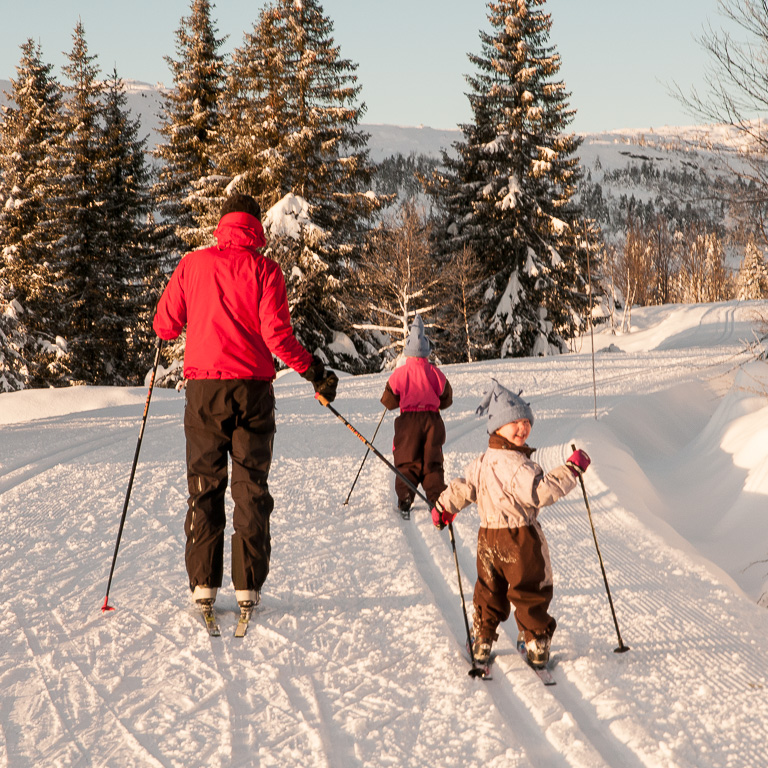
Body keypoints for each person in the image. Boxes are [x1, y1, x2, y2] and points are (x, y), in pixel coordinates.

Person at [153, 193, 338, 612]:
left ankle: (203, 584)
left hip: (204, 393)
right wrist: (313, 372)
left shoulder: (192, 265)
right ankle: (247, 586)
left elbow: (164, 326)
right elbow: (277, 337)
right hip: (253, 391)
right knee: (250, 486)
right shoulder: (266, 269)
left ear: (222, 225)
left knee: (204, 484)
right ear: (256, 227)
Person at [431, 379, 590, 668]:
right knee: (529, 589)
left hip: (488, 540)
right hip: (520, 540)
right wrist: (571, 470)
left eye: (526, 422)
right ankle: (536, 641)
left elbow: (466, 487)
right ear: (497, 428)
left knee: (489, 590)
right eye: (514, 422)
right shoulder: (519, 466)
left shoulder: (483, 461)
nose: (522, 428)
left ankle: (482, 639)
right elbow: (541, 492)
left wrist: (444, 506)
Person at [380, 315, 452, 519]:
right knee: (432, 462)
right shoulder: (435, 373)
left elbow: (389, 400)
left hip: (408, 422)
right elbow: (446, 398)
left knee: (406, 460)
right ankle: (437, 499)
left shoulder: (400, 373)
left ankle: (405, 498)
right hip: (432, 420)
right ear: (427, 352)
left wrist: (393, 398)